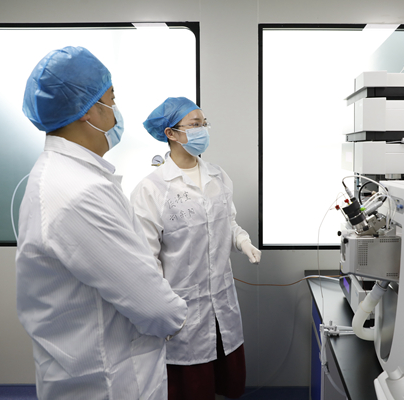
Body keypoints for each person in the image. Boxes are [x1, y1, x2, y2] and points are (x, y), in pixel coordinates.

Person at [16, 46, 188, 400]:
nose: (115, 111)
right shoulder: (78, 193)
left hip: (85, 368)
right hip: (108, 381)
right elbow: (153, 306)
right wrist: (176, 317)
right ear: (87, 111)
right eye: (111, 99)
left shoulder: (62, 175)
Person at [130, 97, 261, 400]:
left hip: (221, 302)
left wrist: (242, 241)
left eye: (204, 123)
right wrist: (163, 307)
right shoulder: (151, 189)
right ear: (171, 133)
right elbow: (146, 259)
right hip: (182, 308)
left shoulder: (218, 177)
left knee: (222, 378)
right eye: (194, 124)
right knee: (190, 386)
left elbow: (228, 222)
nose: (203, 130)